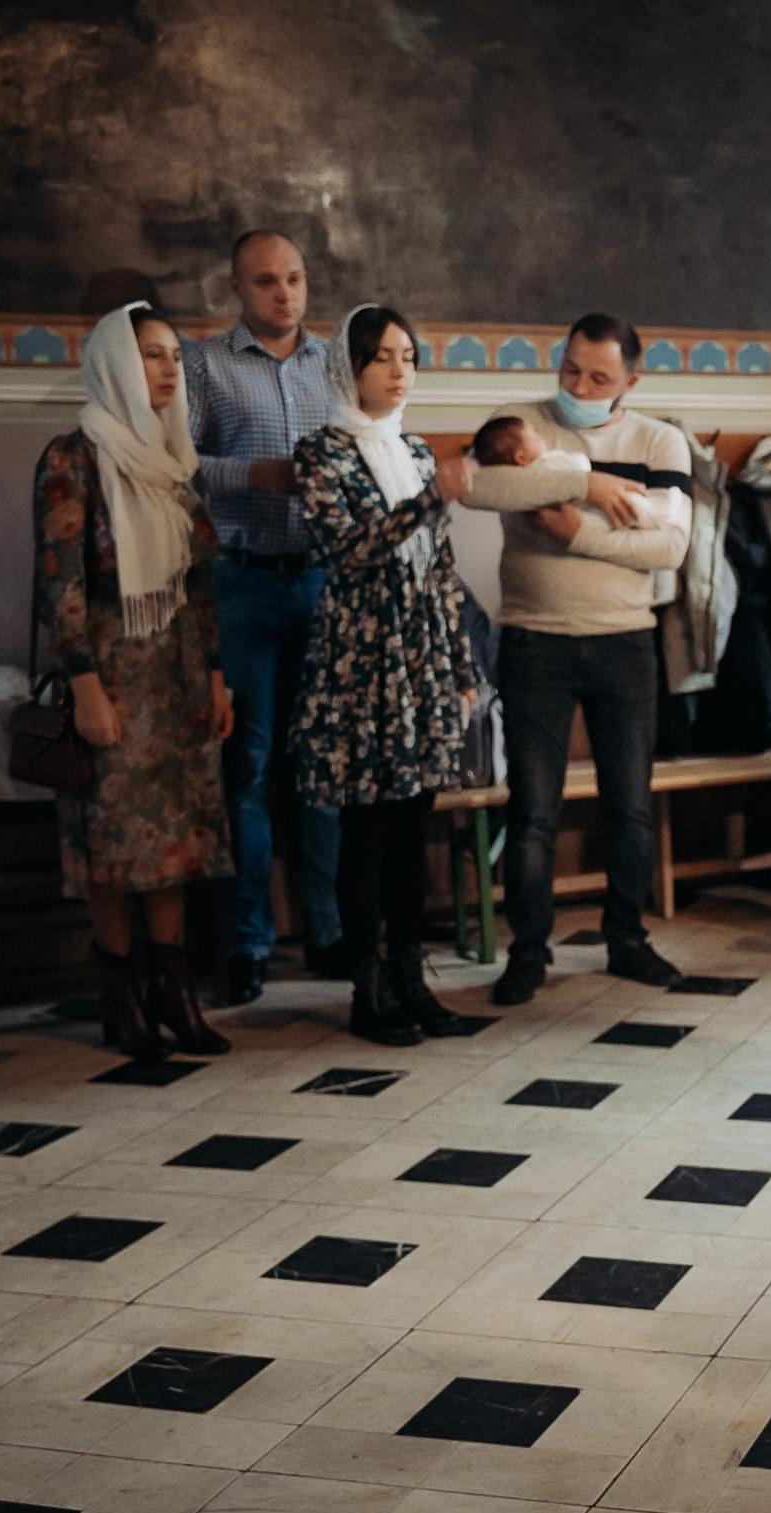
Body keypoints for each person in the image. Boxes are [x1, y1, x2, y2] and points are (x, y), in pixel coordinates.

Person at [460, 313, 690, 1006]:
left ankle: (627, 939)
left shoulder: (659, 439)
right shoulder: (517, 425)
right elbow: (482, 489)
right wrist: (591, 487)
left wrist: (576, 533)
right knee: (533, 810)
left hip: (625, 641)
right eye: (569, 369)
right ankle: (528, 951)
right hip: (536, 640)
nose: (578, 385)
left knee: (629, 806)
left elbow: (670, 547)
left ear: (630, 381)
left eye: (597, 377)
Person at [32, 303, 234, 1060]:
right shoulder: (73, 459)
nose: (168, 369)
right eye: (152, 355)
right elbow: (61, 583)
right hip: (114, 672)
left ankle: (173, 994)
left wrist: (217, 678)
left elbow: (202, 582)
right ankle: (121, 1000)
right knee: (115, 842)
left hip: (178, 671)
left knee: (175, 840)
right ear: (115, 361)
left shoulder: (176, 459)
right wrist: (83, 685)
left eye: (175, 357)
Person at [287, 306, 478, 1046]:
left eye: (407, 357)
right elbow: (349, 552)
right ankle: (368, 993)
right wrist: (430, 498)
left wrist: (462, 666)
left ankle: (410, 980)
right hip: (363, 662)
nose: (399, 373)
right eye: (382, 359)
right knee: (367, 832)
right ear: (350, 369)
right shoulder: (321, 454)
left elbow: (443, 568)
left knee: (412, 833)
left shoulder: (420, 453)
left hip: (423, 657)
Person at [184, 230, 343, 1007]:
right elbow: (176, 463)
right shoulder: (205, 366)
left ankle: (330, 930)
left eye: (294, 280)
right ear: (237, 290)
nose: (284, 294)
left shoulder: (334, 365)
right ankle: (248, 943)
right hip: (242, 583)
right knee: (244, 769)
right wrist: (256, 473)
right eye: (266, 283)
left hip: (322, 581)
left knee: (321, 767)